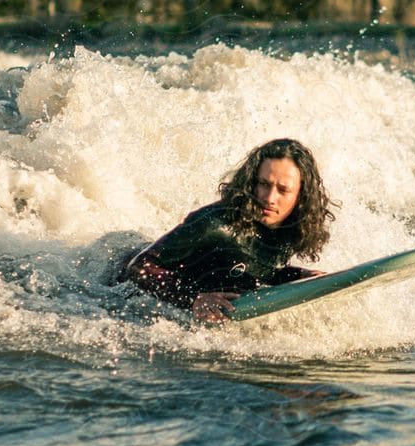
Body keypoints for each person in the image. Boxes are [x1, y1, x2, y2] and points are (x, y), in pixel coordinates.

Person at [119, 138, 336, 324]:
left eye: (283, 190)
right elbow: (139, 267)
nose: (269, 198)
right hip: (121, 284)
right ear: (251, 182)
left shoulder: (291, 229)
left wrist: (297, 275)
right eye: (263, 184)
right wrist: (193, 298)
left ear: (301, 196)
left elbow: (251, 266)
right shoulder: (215, 224)